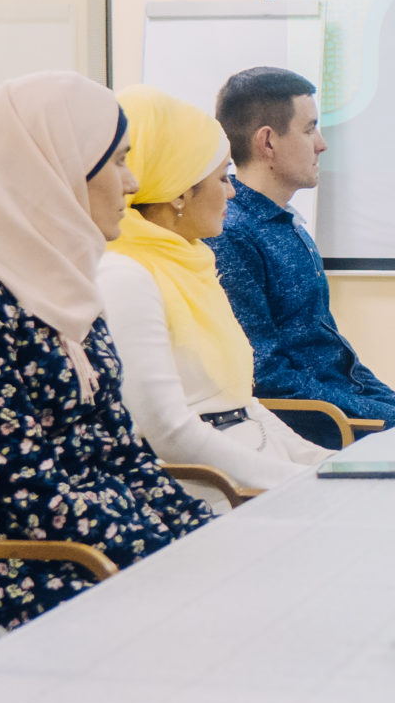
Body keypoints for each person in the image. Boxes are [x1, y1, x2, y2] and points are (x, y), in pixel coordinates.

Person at [0, 71, 205, 627]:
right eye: (117, 162)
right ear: (52, 172)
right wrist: (165, 552)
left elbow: (126, 455)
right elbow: (31, 497)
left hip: (116, 550)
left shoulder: (65, 287)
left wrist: (203, 533)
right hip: (46, 571)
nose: (132, 183)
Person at [100, 85, 330, 491]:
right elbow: (169, 432)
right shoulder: (125, 276)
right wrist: (299, 482)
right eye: (222, 177)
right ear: (179, 192)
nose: (232, 191)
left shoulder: (193, 263)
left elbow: (243, 404)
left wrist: (325, 464)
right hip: (214, 491)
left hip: (256, 474)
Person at [211, 67, 395, 449]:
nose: (322, 144)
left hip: (344, 417)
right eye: (309, 129)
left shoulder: (287, 225)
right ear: (268, 142)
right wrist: (392, 418)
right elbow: (266, 375)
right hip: (313, 435)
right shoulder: (232, 235)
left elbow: (335, 358)